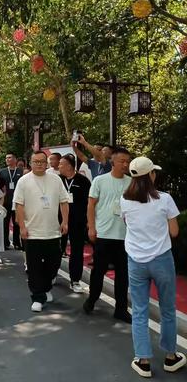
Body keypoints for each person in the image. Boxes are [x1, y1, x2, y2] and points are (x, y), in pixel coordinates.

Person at [121, 157, 186, 377]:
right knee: (167, 309)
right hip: (161, 259)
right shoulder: (164, 199)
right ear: (151, 175)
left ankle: (143, 360)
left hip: (135, 260)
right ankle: (170, 357)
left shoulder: (125, 200)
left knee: (139, 311)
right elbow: (174, 232)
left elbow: (126, 223)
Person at [13, 151, 69, 312]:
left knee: (54, 263)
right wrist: (22, 227)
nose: (39, 164)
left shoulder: (56, 179)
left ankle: (45, 288)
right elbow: (19, 205)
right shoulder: (24, 181)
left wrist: (65, 221)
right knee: (34, 267)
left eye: (42, 161)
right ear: (30, 163)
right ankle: (37, 297)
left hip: (52, 231)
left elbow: (64, 202)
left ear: (47, 163)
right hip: (32, 232)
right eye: (36, 161)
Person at [83, 147, 132, 323]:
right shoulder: (100, 181)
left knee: (123, 275)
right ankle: (92, 299)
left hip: (124, 236)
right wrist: (91, 227)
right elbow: (91, 205)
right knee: (98, 271)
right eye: (122, 161)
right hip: (103, 233)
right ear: (113, 161)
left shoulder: (131, 183)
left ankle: (121, 309)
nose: (125, 164)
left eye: (127, 161)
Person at [58, 154, 91, 293]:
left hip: (78, 221)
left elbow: (90, 203)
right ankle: (52, 274)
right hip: (59, 220)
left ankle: (75, 280)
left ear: (70, 166)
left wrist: (90, 220)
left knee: (77, 251)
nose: (59, 166)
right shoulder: (57, 180)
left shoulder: (83, 181)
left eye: (61, 164)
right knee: (57, 249)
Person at [0, 153, 23, 250]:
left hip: (17, 201)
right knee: (5, 222)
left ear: (15, 159)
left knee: (17, 222)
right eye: (6, 158)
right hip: (6, 201)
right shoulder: (2, 172)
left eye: (10, 157)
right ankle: (5, 242)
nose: (7, 159)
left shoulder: (20, 171)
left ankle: (17, 242)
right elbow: (0, 187)